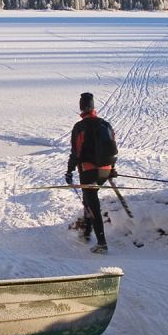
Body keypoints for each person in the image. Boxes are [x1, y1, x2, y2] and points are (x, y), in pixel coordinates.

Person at [65, 92, 118, 253]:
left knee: (92, 204)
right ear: (94, 107)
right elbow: (112, 147)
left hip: (89, 171)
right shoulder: (105, 124)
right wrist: (112, 169)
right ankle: (87, 232)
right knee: (89, 201)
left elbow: (76, 153)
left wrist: (69, 171)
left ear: (81, 108)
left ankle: (101, 243)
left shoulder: (80, 127)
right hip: (105, 169)